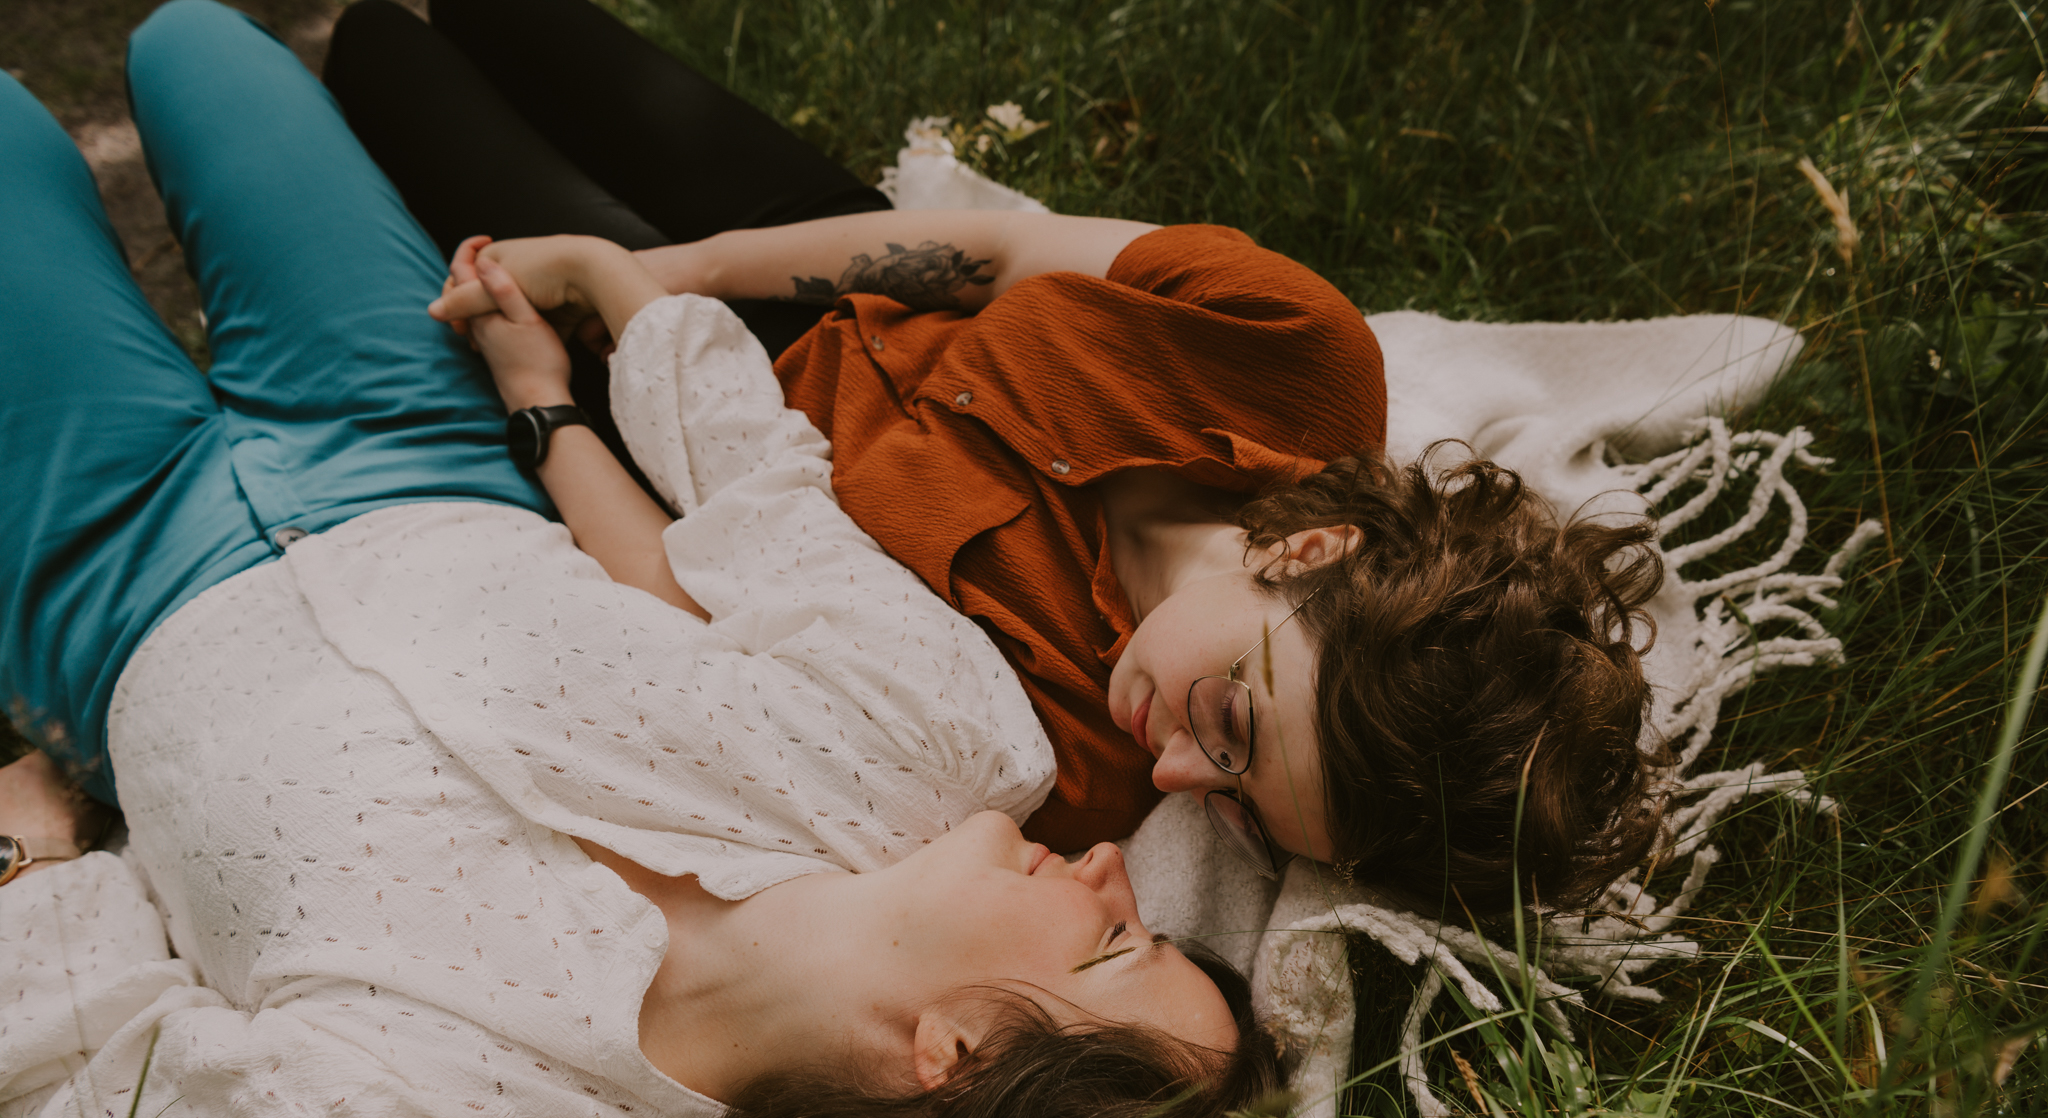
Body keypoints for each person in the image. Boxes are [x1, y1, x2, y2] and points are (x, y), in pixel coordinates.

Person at [0, 5, 1291, 1118]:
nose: (1111, 869)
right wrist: (583, 348)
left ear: (953, 1055)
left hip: (105, 592)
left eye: (1113, 943)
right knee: (198, 47)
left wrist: (35, 853)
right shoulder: (959, 747)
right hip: (419, 440)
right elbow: (759, 501)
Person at [328, 0, 1670, 927]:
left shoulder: (1060, 761)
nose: (1177, 780)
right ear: (1311, 553)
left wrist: (552, 396)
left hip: (700, 411)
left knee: (378, 53)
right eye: (1233, 729)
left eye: (1241, 812)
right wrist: (685, 264)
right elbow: (1002, 255)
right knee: (514, 22)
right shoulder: (1294, 359)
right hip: (824, 261)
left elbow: (704, 613)